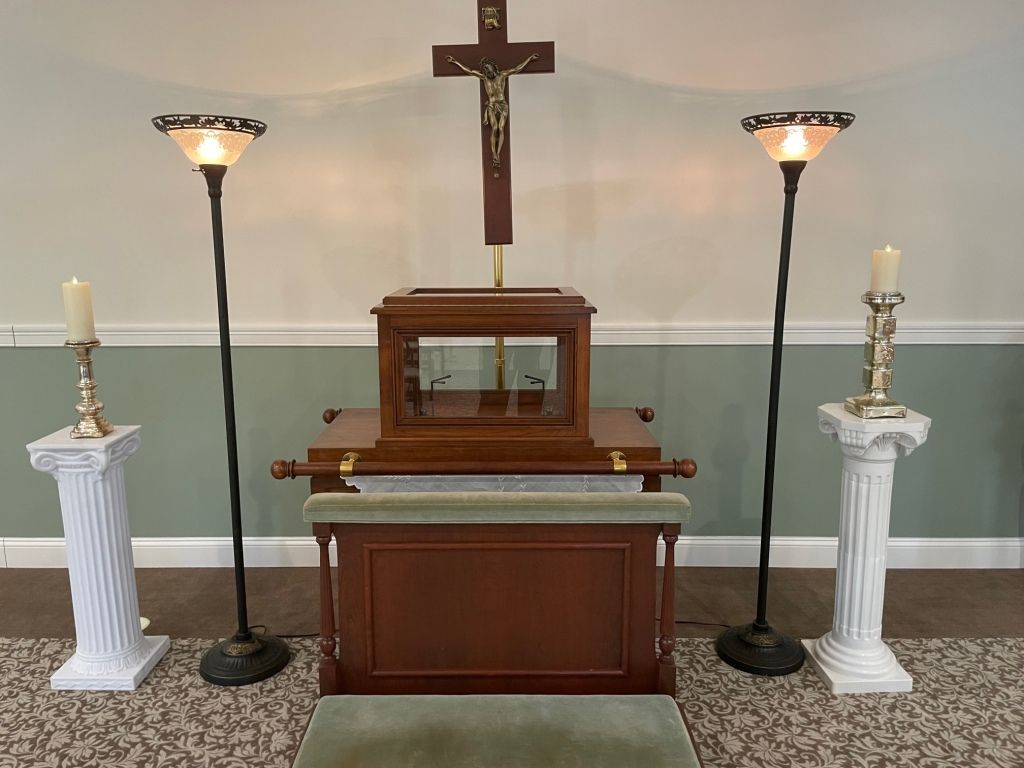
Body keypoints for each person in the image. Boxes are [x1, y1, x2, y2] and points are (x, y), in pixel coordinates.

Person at [446, 53, 540, 176]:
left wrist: (529, 59)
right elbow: (469, 71)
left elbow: (517, 69)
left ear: (493, 67)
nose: (486, 71)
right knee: (494, 128)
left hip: (502, 105)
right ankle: (494, 155)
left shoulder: (502, 75)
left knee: (501, 128)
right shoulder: (484, 78)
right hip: (491, 106)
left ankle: (498, 153)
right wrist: (455, 62)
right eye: (484, 69)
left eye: (487, 68)